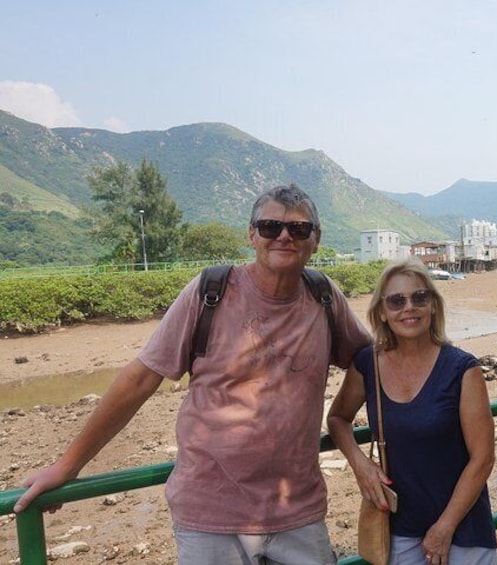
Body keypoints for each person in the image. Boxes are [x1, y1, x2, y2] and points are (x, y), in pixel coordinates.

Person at [14, 183, 371, 565]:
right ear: (252, 235)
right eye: (270, 227)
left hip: (298, 511)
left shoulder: (322, 296)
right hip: (210, 514)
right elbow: (139, 380)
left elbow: (370, 359)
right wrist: (69, 466)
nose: (284, 236)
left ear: (315, 240)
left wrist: (343, 422)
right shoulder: (210, 293)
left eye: (299, 229)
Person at [327, 257, 497, 565]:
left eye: (420, 297)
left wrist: (445, 527)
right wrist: (360, 464)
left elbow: (483, 458)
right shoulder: (368, 365)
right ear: (381, 311)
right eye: (396, 300)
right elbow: (338, 418)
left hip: (465, 529)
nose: (409, 307)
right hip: (400, 528)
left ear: (433, 305)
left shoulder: (463, 370)